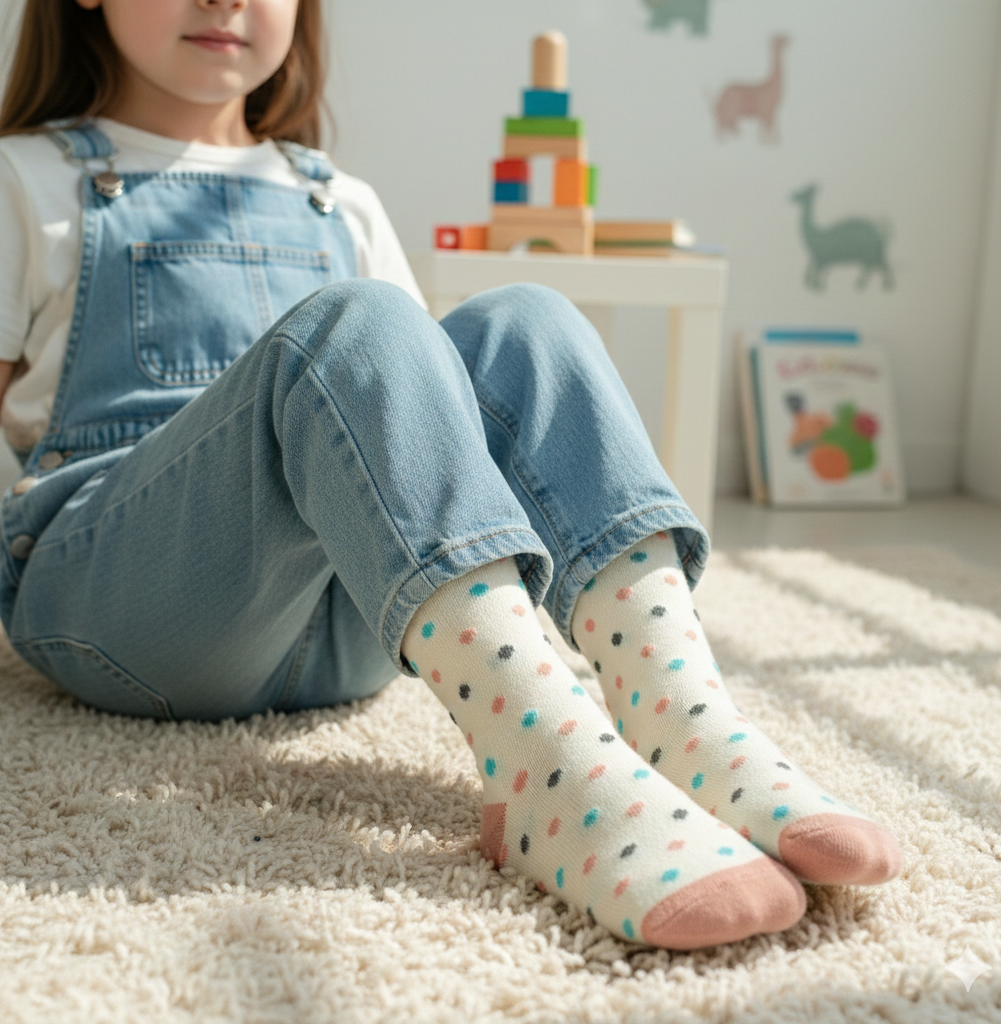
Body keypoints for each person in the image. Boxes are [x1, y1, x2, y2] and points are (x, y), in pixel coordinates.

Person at [0, 0, 901, 951]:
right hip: (125, 605)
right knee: (358, 323)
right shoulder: (26, 177)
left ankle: (681, 721)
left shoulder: (337, 199)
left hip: (346, 622)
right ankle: (549, 770)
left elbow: (409, 425)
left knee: (526, 319)